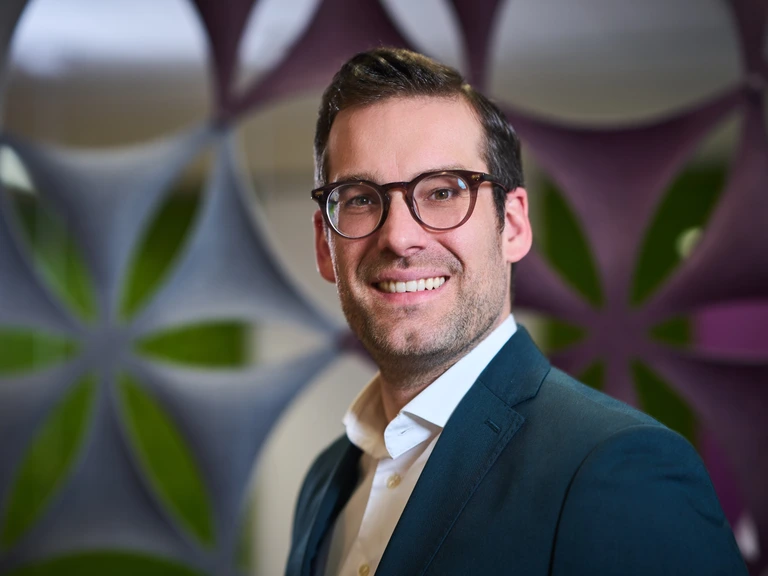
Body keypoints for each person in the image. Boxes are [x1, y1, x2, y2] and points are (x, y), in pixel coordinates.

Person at [285, 47, 746, 576]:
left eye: (442, 191)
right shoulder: (323, 484)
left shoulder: (622, 468)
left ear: (515, 225)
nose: (399, 237)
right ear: (325, 245)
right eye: (361, 199)